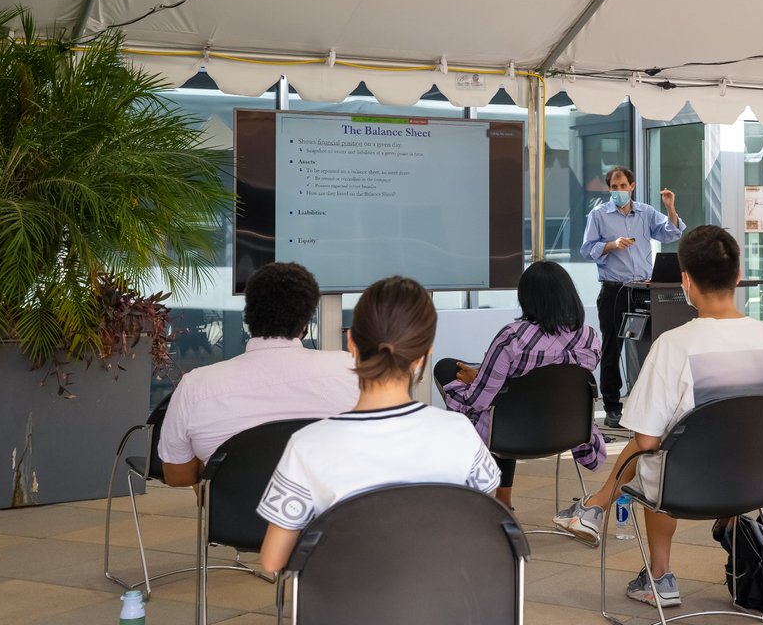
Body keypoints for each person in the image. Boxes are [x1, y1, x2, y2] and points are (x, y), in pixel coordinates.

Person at [556, 225, 763, 609]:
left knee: (655, 452)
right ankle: (722, 524)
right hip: (758, 485)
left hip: (685, 490)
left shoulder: (672, 345)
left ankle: (658, 576)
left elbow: (645, 442)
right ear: (739, 277)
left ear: (685, 281)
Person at [257, 276, 500, 572]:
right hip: (442, 605)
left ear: (351, 344)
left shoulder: (307, 446)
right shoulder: (460, 433)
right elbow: (482, 529)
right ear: (425, 354)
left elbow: (272, 561)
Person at [158, 262, 358, 487]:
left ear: (248, 318)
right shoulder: (352, 370)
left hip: (235, 519)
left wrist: (212, 467)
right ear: (306, 325)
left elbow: (178, 477)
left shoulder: (196, 386)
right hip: (329, 517)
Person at [436, 261, 606, 508]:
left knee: (449, 370)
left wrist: (476, 382)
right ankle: (503, 498)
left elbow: (479, 400)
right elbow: (544, 377)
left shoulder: (513, 337)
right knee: (509, 400)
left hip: (512, 431)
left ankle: (483, 494)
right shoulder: (589, 337)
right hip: (565, 430)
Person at [580, 165, 684, 428]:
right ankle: (613, 407)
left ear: (632, 186)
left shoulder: (646, 212)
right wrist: (611, 245)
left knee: (649, 347)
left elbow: (671, 234)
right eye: (613, 188)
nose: (618, 192)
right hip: (614, 290)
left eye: (623, 186)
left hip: (643, 290)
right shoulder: (599, 215)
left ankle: (649, 404)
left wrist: (670, 208)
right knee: (612, 349)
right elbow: (586, 249)